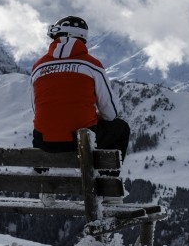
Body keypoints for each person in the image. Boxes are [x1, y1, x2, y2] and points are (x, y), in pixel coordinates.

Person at [31, 15, 130, 159]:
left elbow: (36, 109)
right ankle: (105, 177)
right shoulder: (92, 65)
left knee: (41, 129)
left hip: (44, 141)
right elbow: (110, 113)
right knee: (121, 128)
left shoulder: (38, 67)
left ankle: (42, 177)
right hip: (80, 141)